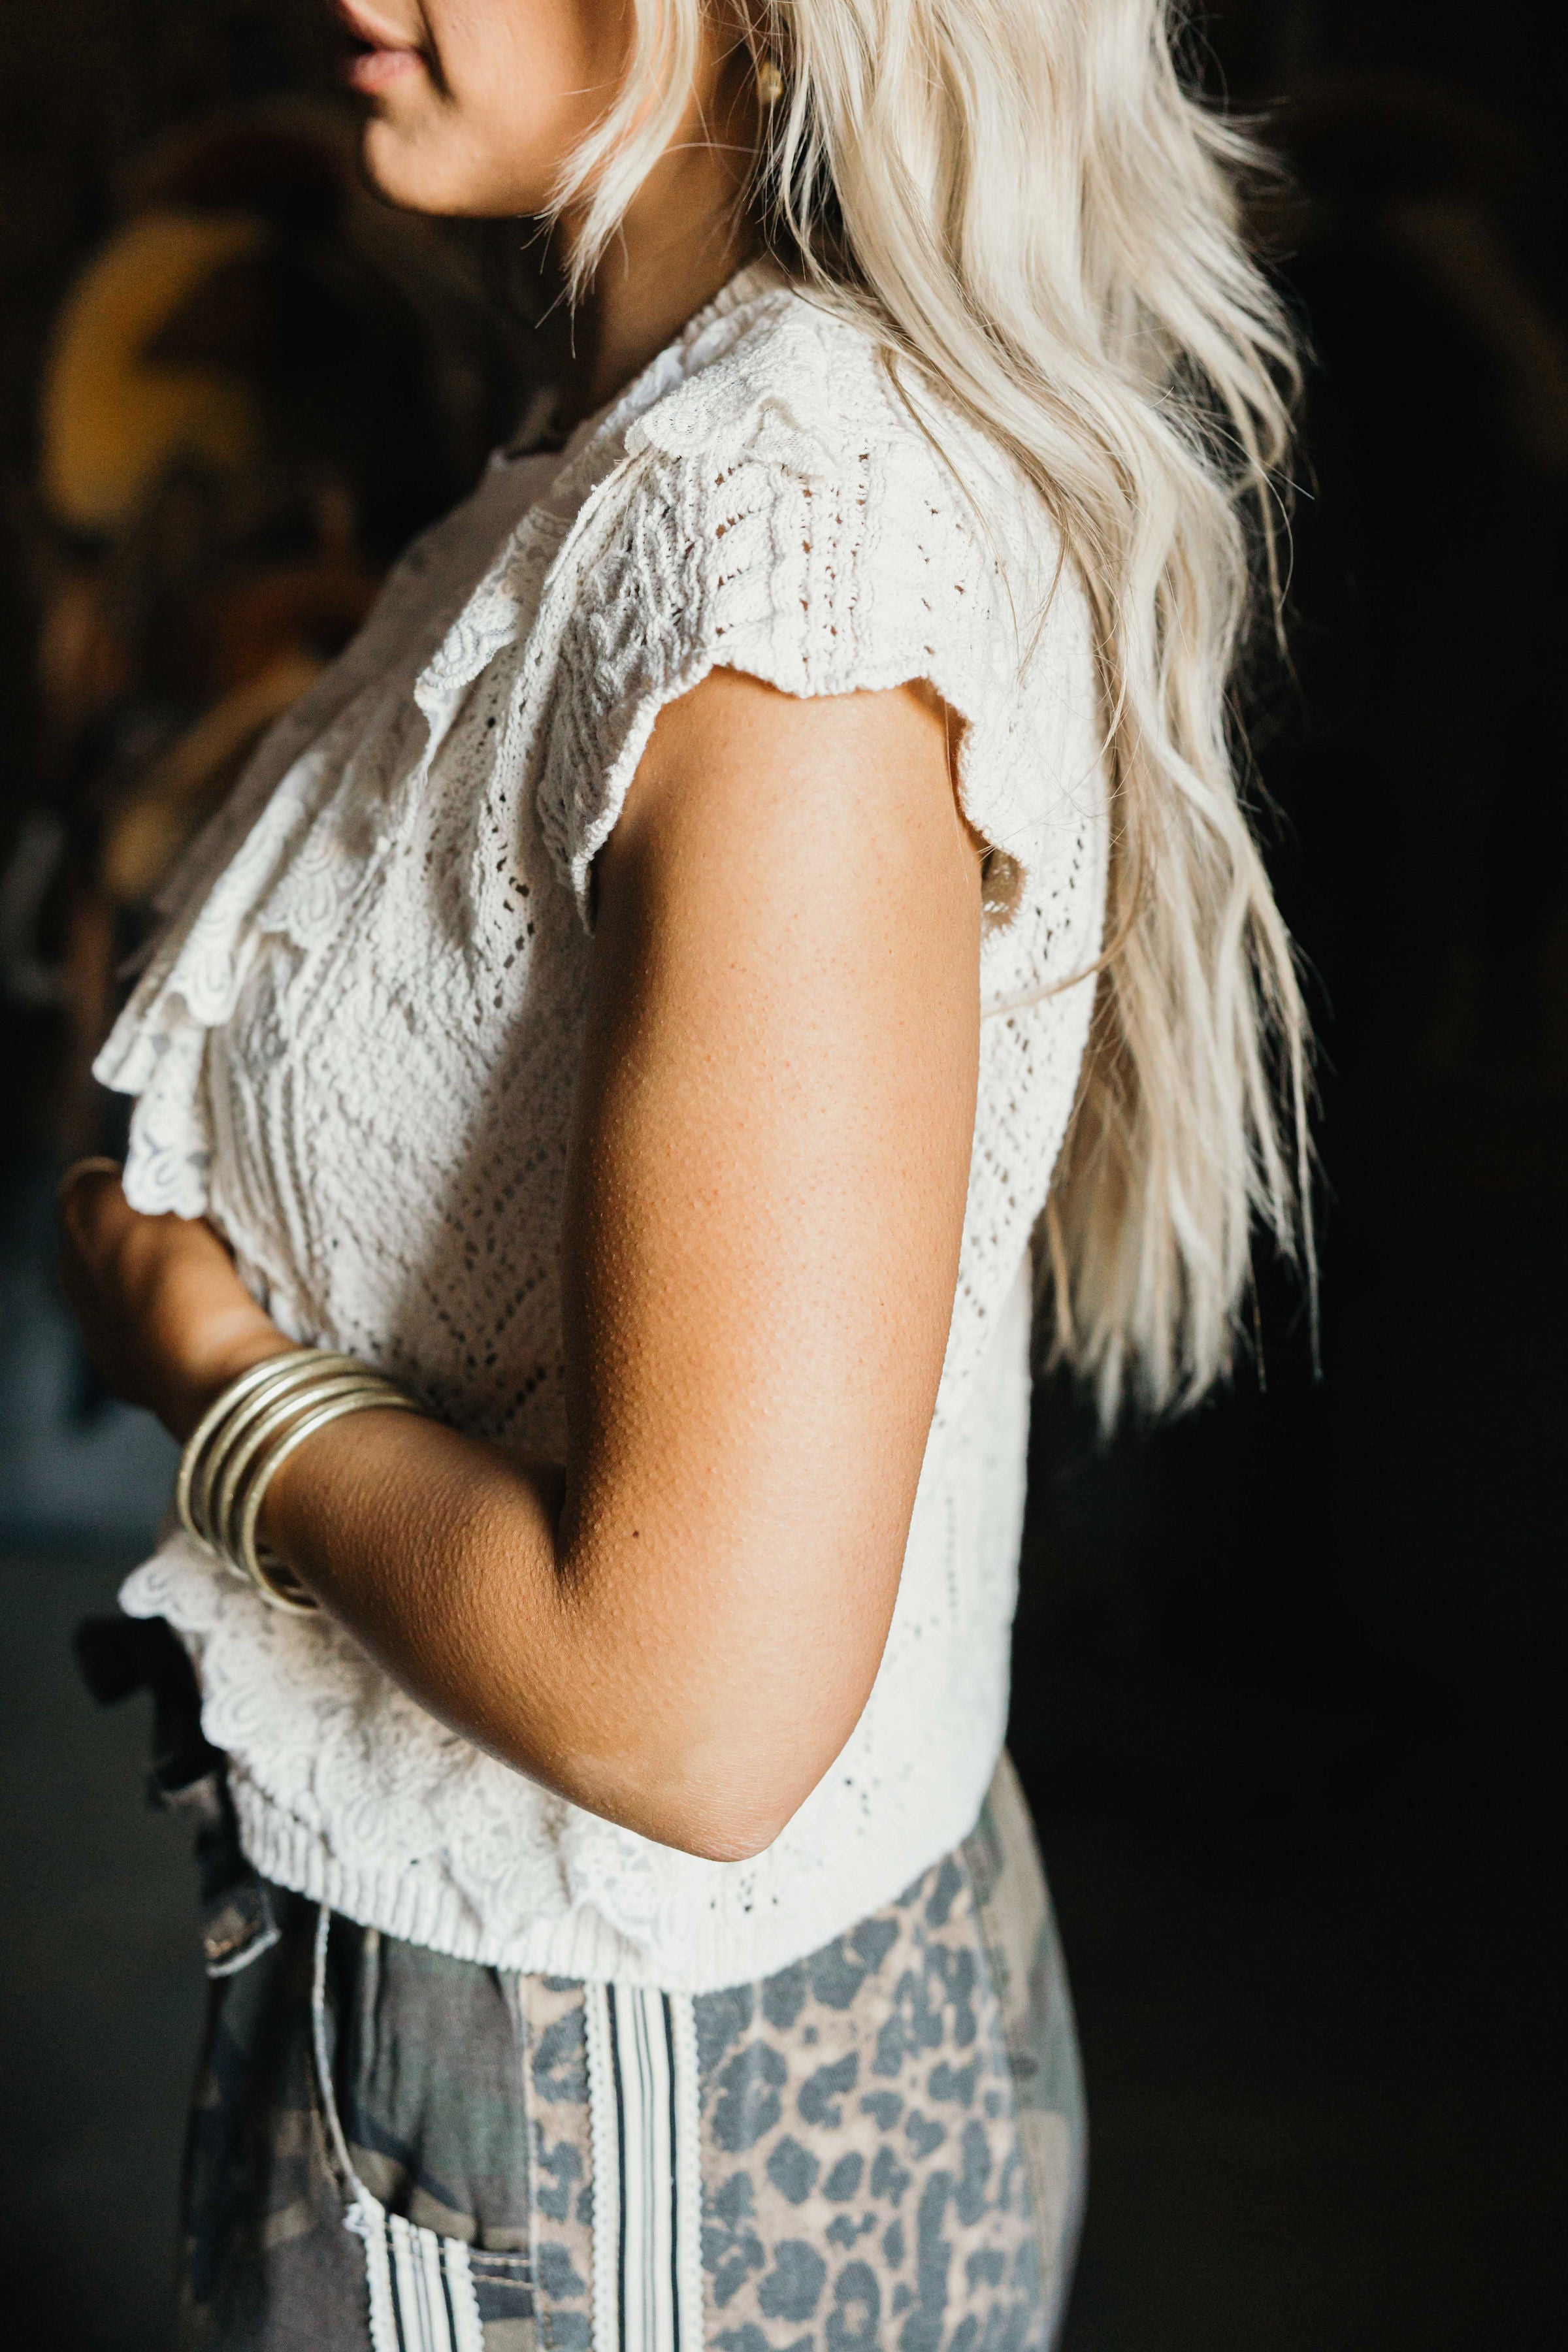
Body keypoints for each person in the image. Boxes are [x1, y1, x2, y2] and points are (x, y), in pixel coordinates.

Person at [57, 3, 1308, 2346]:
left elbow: (693, 1708)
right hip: (585, 2070)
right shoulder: (642, 447)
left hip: (621, 2140)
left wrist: (215, 1374)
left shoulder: (786, 563)